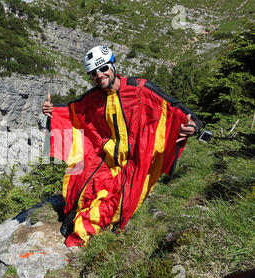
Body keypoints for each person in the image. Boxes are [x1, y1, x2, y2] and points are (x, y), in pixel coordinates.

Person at [43, 45, 200, 247]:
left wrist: (193, 125)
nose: (99, 75)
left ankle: (98, 229)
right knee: (81, 182)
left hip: (135, 161)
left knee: (119, 202)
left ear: (113, 65)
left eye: (103, 68)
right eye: (93, 73)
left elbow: (173, 107)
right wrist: (52, 111)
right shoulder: (95, 97)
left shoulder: (140, 89)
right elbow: (74, 111)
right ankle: (78, 215)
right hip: (107, 160)